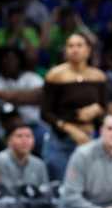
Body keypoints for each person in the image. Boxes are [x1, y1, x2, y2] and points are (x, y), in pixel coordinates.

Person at [41, 33, 106, 180]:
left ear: (88, 50)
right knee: (62, 184)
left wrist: (97, 109)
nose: (74, 49)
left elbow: (104, 106)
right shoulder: (55, 75)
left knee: (90, 184)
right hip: (61, 139)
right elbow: (45, 113)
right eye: (70, 46)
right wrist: (70, 129)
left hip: (90, 138)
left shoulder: (98, 76)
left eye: (79, 45)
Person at [0, 122, 49, 192]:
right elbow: (4, 191)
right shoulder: (0, 160)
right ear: (9, 141)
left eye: (28, 136)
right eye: (19, 136)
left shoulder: (39, 164)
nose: (24, 140)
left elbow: (45, 190)